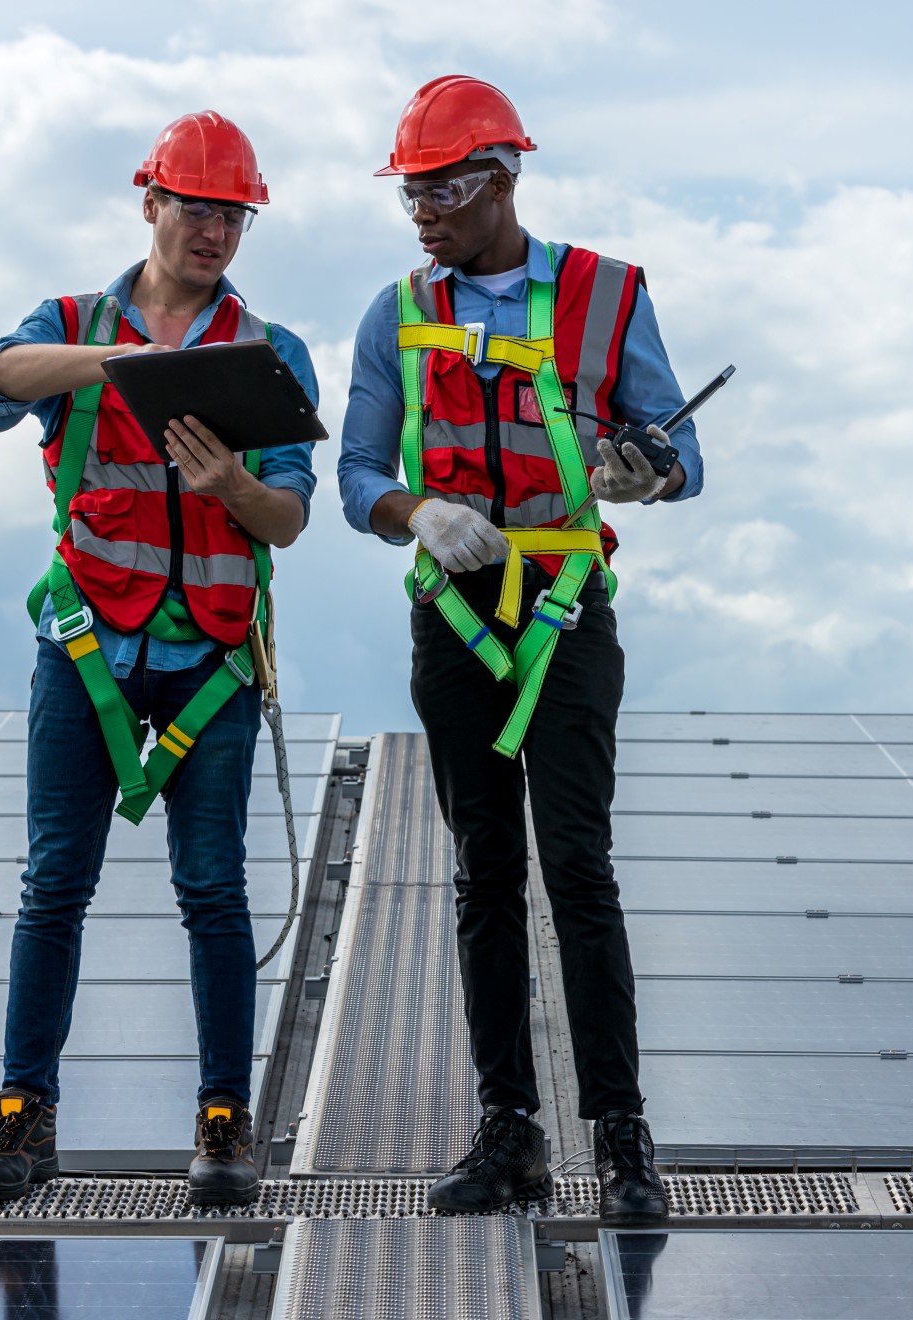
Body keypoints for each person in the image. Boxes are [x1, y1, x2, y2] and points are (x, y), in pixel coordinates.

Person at [339, 75, 703, 1227]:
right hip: (454, 616)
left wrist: (651, 472)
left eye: (443, 187)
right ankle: (509, 1131)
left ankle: (624, 1135)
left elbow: (679, 453)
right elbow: (358, 471)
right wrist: (415, 515)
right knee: (481, 873)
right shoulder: (394, 313)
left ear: (502, 177)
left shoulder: (604, 295)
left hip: (564, 609)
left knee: (579, 868)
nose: (424, 212)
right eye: (410, 192)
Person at [0, 112, 317, 1206]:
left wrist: (230, 490)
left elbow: (290, 518)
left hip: (211, 660)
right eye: (196, 207)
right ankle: (22, 1117)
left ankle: (222, 1125)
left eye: (232, 214)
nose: (214, 231)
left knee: (213, 889)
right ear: (150, 203)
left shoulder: (270, 353)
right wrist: (121, 364)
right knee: (53, 882)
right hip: (86, 652)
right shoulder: (70, 324)